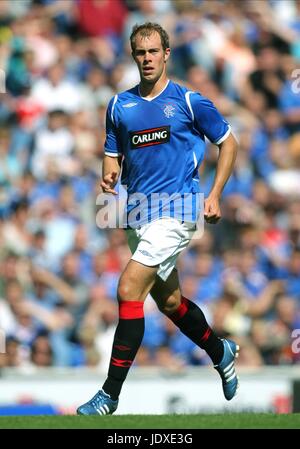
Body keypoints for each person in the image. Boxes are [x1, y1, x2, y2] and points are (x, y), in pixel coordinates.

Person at [77, 22, 239, 416]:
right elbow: (111, 152)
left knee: (128, 289)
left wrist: (215, 194)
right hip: (138, 216)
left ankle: (109, 395)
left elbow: (229, 142)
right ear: (133, 56)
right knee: (168, 302)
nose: (147, 59)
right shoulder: (119, 106)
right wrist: (109, 172)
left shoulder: (189, 101)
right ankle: (222, 351)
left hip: (179, 211)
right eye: (140, 53)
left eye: (153, 52)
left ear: (166, 54)